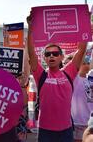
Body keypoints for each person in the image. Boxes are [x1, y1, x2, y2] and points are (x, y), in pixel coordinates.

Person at [27, 14, 87, 142]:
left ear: (61, 57)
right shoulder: (41, 74)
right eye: (48, 54)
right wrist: (30, 27)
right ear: (44, 58)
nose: (51, 56)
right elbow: (31, 53)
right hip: (45, 131)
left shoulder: (68, 72)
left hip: (66, 130)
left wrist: (84, 22)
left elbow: (81, 49)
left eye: (55, 53)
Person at [71, 55, 93, 142]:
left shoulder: (91, 79)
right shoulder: (75, 80)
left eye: (88, 63)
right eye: (84, 63)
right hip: (78, 122)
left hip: (90, 122)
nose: (87, 65)